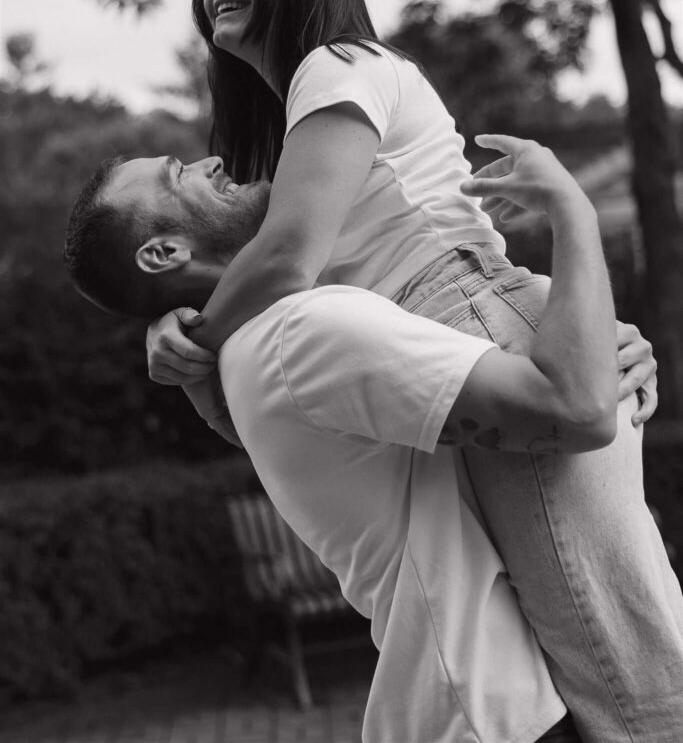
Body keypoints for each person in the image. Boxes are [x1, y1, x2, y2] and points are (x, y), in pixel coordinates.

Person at [141, 0, 680, 740]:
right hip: (462, 333)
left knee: (619, 666)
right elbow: (280, 411)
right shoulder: (301, 130)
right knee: (597, 654)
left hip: (469, 314)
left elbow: (287, 255)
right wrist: (183, 341)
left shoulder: (335, 63)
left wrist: (189, 339)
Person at [64, 139, 681, 742]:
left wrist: (604, 340)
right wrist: (573, 210)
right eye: (179, 174)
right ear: (162, 251)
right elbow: (571, 408)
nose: (212, 161)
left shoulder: (254, 353)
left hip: (490, 698)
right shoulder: (302, 332)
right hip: (497, 708)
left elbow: (541, 375)